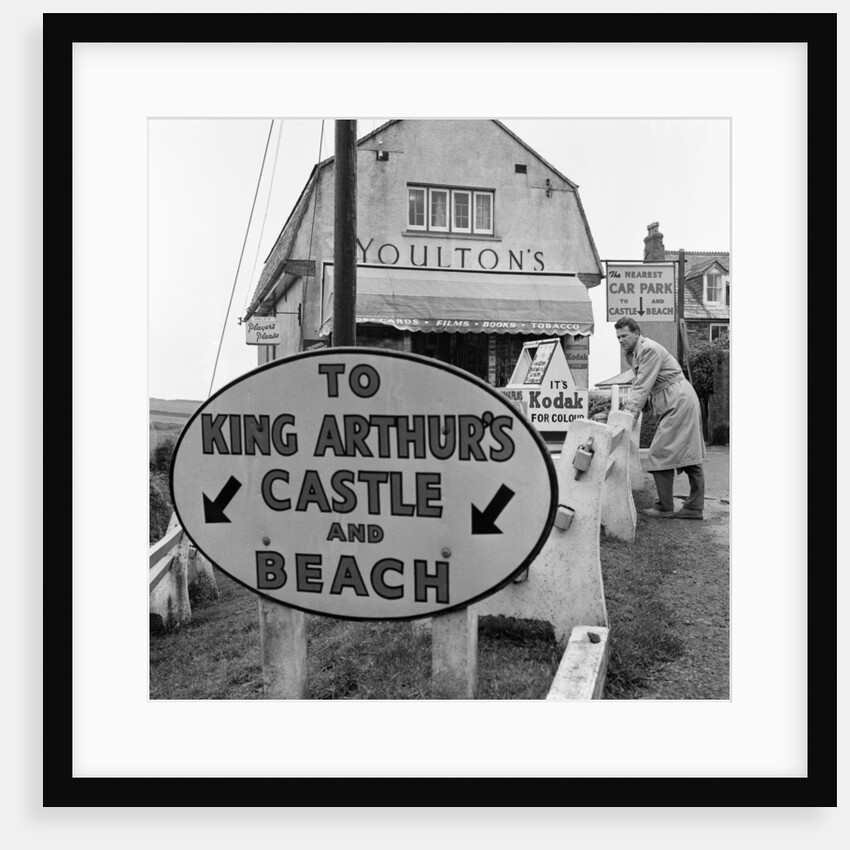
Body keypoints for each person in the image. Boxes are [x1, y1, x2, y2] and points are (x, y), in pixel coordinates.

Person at [614, 318, 706, 519]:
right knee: (689, 452)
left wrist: (627, 417)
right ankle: (693, 506)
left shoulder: (648, 350)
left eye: (624, 335)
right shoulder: (636, 353)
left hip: (678, 400)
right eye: (618, 337)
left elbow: (642, 386)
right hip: (677, 398)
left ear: (637, 333)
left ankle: (665, 506)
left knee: (659, 452)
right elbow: (647, 386)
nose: (620, 340)